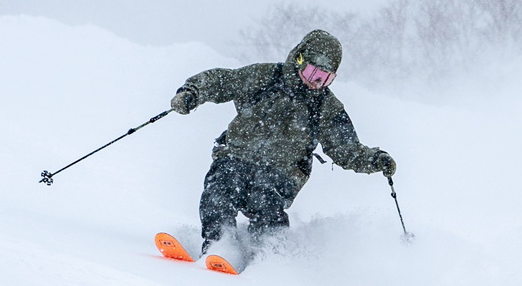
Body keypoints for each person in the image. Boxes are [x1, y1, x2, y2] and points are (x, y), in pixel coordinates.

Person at [169, 29, 395, 255]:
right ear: (299, 60)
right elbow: (222, 82)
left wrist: (374, 159)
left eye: (325, 79)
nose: (315, 83)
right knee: (221, 189)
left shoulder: (326, 107)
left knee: (265, 198)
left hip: (283, 171)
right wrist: (192, 93)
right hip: (235, 155)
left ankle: (267, 255)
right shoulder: (265, 77)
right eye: (312, 72)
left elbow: (345, 148)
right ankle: (219, 245)